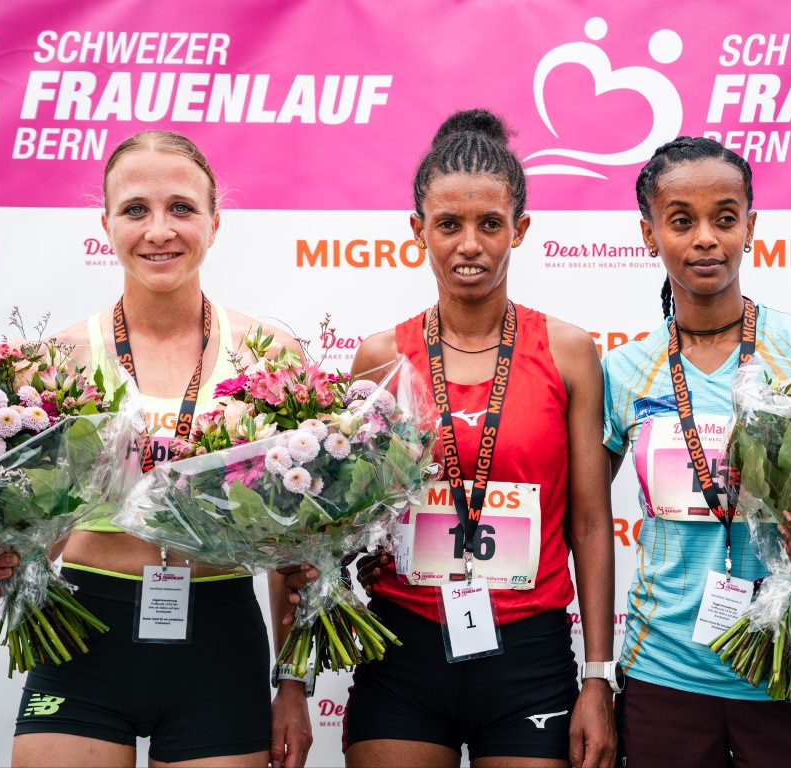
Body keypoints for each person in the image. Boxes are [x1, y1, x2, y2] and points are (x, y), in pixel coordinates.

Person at [287, 108, 617, 768]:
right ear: (419, 231)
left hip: (530, 651)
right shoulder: (381, 356)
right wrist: (352, 558)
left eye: (490, 224)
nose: (470, 244)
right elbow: (347, 521)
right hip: (404, 647)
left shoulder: (571, 351)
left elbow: (588, 522)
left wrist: (597, 678)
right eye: (450, 224)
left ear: (519, 229)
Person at [0, 130, 312, 768]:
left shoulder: (271, 358)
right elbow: (34, 523)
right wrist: (5, 558)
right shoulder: (56, 364)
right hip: (82, 639)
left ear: (215, 221)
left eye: (181, 207)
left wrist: (293, 686)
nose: (159, 229)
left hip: (220, 647)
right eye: (136, 210)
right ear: (105, 224)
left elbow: (294, 548)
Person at [602, 135, 791, 767]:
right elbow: (583, 523)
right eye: (681, 220)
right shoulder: (622, 370)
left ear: (750, 226)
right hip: (663, 672)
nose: (705, 238)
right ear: (649, 234)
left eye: (725, 218)